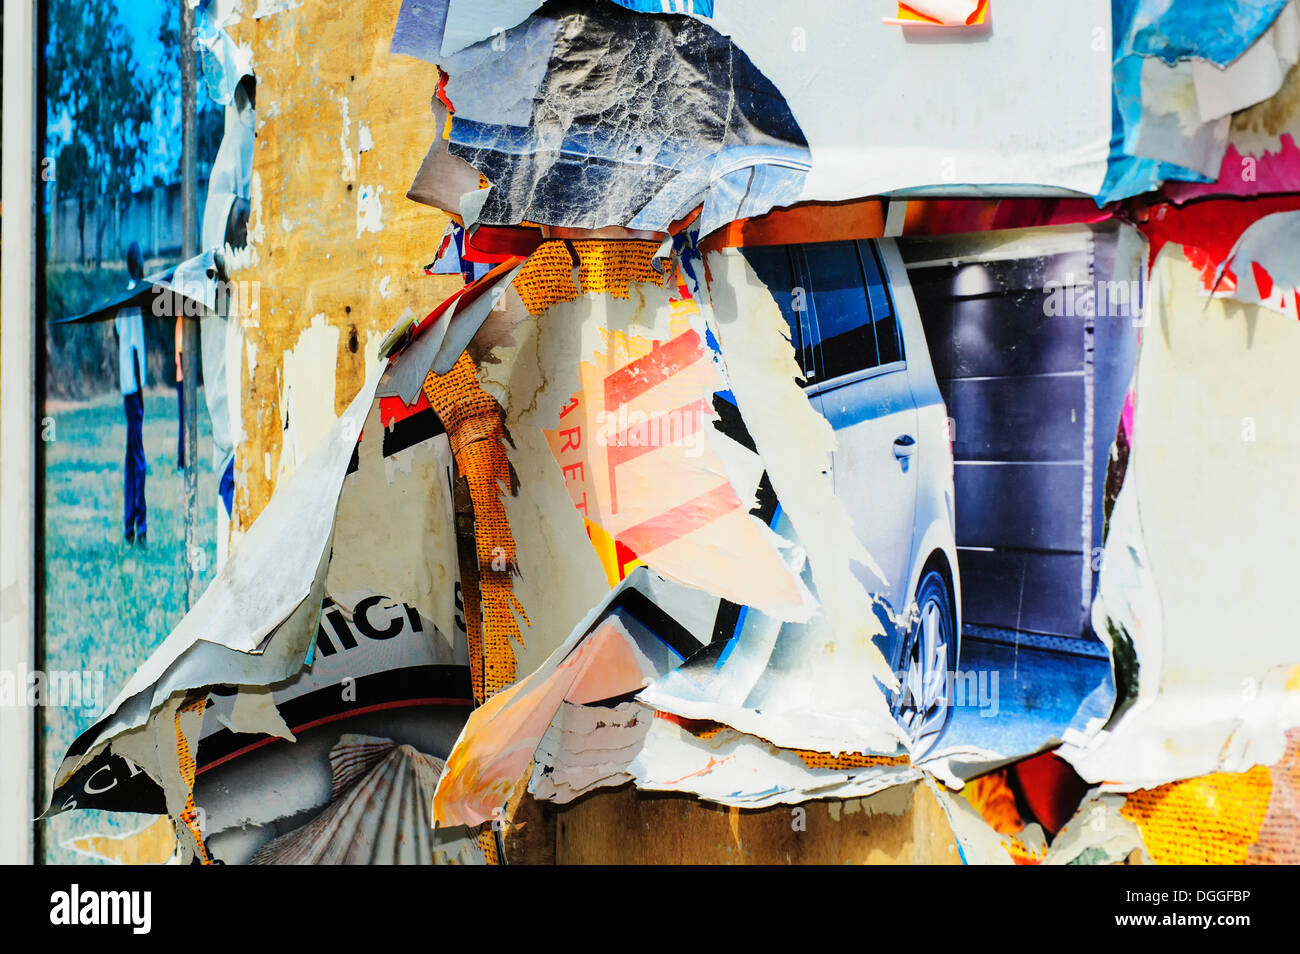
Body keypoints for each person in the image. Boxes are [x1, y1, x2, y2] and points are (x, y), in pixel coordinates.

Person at [116, 242, 149, 547]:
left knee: (132, 458)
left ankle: (130, 526)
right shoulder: (134, 296)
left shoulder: (124, 297)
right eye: (143, 260)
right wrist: (140, 390)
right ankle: (140, 526)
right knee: (138, 460)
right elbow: (135, 350)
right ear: (136, 264)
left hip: (128, 386)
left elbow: (120, 338)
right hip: (134, 389)